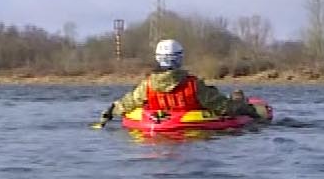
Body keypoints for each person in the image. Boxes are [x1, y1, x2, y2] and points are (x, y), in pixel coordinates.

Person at [99, 39, 260, 125]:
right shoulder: (194, 85)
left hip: (157, 135)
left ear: (158, 58)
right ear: (180, 58)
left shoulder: (146, 85)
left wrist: (110, 111)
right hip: (192, 130)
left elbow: (127, 103)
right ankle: (240, 97)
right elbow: (225, 107)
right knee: (236, 99)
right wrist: (249, 110)